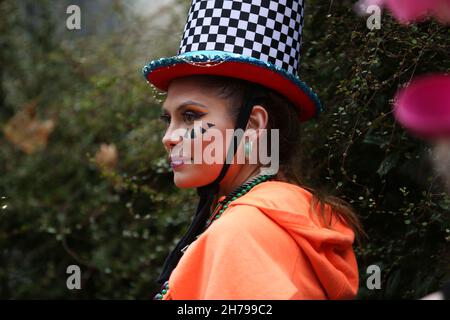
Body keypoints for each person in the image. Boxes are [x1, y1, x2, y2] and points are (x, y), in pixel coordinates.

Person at [142, 0, 364, 300]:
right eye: (168, 119)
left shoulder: (242, 232)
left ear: (253, 124)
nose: (169, 138)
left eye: (191, 116)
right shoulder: (279, 215)